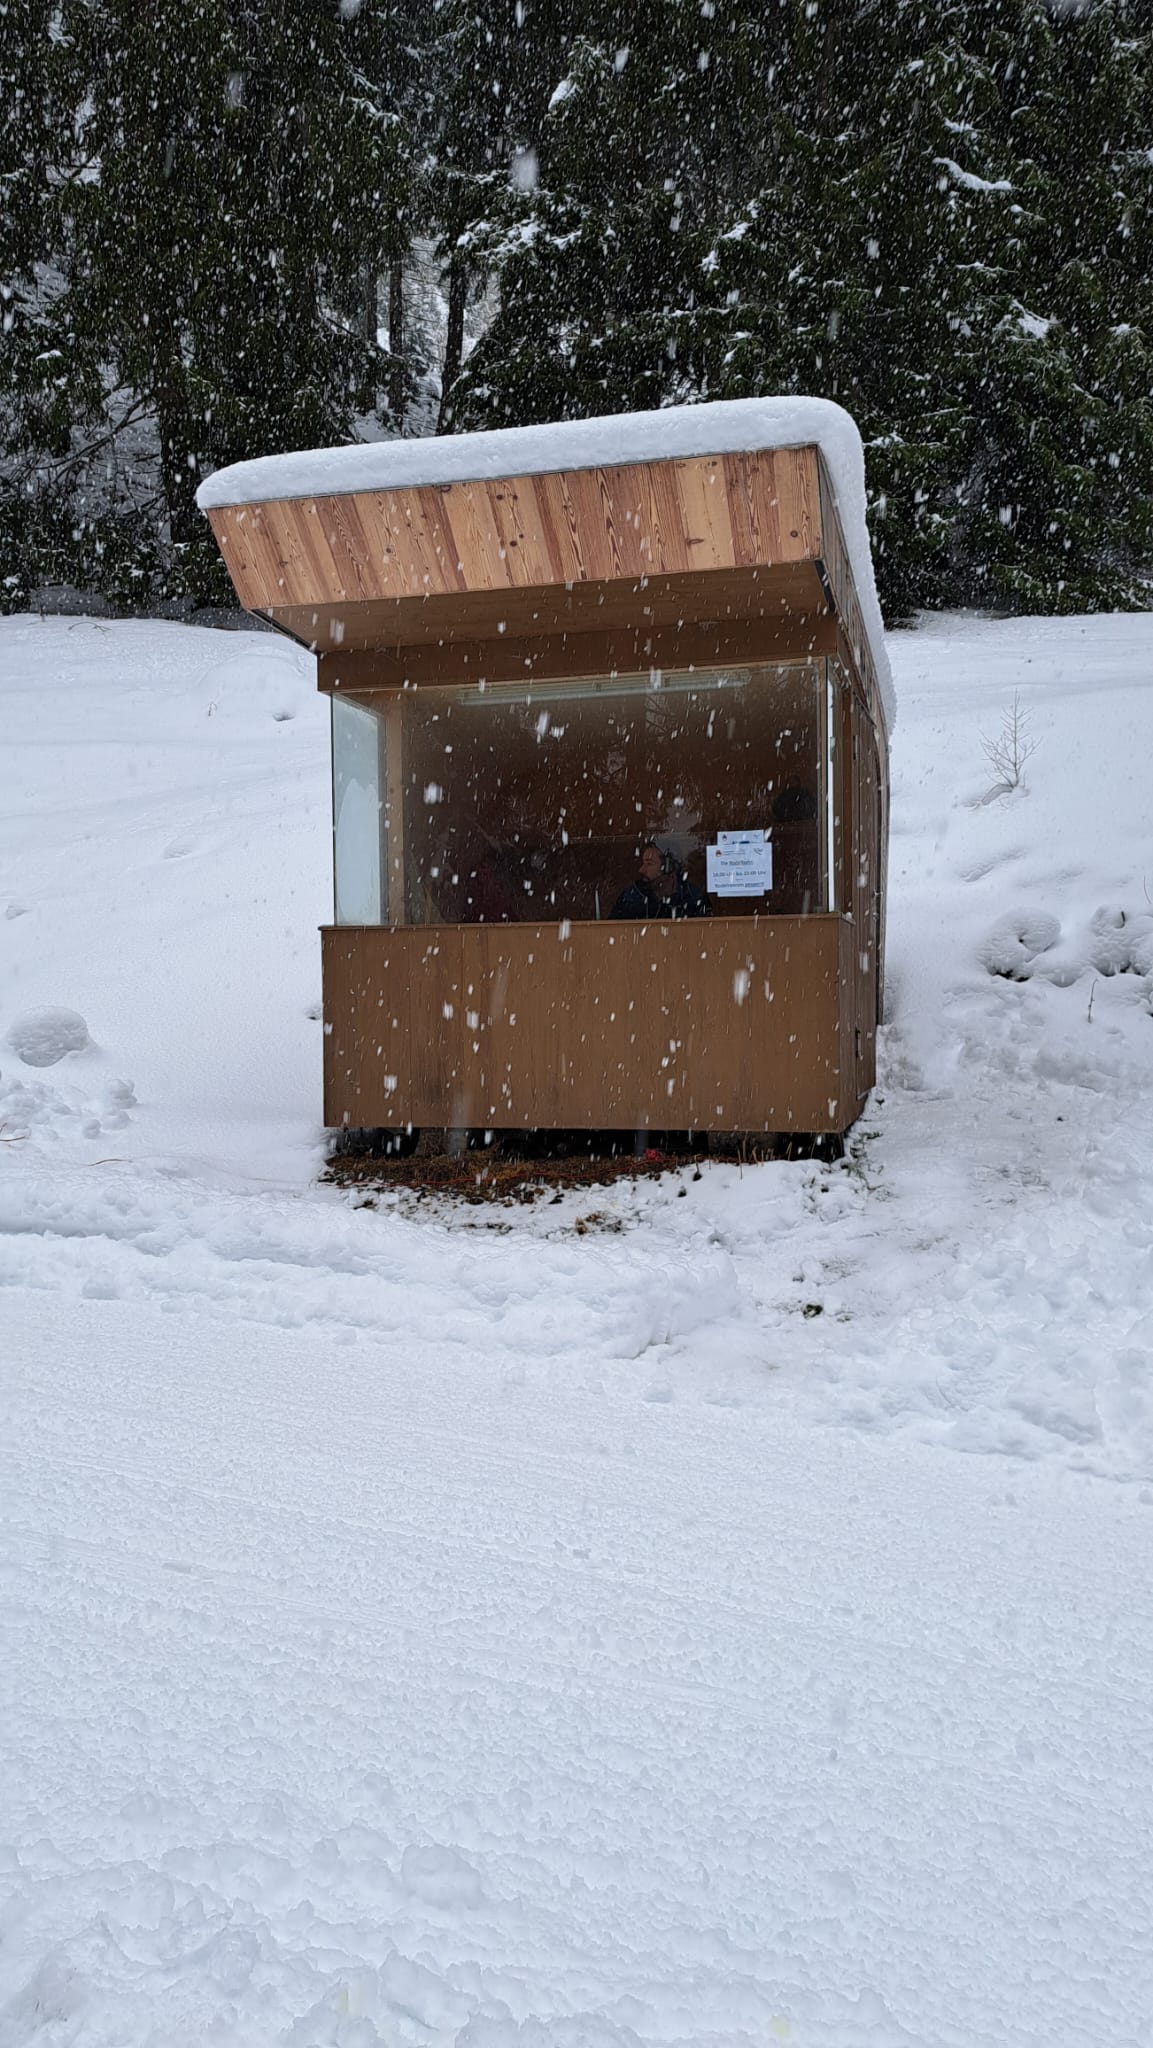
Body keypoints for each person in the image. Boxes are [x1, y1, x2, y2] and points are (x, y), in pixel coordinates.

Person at [611, 840, 710, 920]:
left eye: (649, 864)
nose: (641, 870)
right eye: (643, 863)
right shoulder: (632, 897)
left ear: (668, 867)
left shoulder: (693, 897)